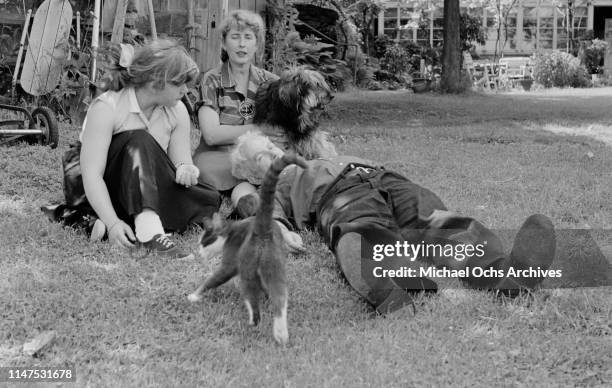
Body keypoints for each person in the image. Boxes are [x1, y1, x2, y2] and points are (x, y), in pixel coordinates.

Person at [230, 132, 557, 314]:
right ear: (252, 173)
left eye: (272, 145)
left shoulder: (315, 157)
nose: (273, 153)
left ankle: (507, 276)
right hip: (337, 195)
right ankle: (397, 283)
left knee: (438, 222)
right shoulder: (275, 184)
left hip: (386, 179)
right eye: (261, 155)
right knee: (363, 227)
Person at [80, 39, 220, 258]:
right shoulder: (107, 107)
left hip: (144, 185)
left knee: (209, 199)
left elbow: (180, 160)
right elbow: (91, 175)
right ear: (157, 82)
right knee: (139, 139)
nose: (185, 90)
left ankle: (111, 222)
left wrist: (185, 169)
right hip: (107, 184)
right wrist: (113, 223)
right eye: (179, 83)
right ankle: (149, 232)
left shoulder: (177, 111)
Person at [193, 9, 279, 207]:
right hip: (219, 156)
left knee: (266, 164)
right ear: (224, 43)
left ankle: (248, 202)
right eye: (235, 37)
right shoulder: (211, 80)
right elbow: (212, 135)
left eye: (248, 37)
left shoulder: (272, 83)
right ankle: (250, 198)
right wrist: (259, 129)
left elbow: (284, 128)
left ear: (257, 44)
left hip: (258, 154)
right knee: (207, 170)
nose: (242, 44)